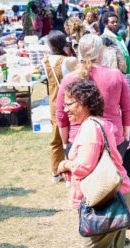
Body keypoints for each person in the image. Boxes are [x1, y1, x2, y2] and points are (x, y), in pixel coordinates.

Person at [56, 79, 130, 247]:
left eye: (69, 104)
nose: (65, 109)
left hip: (106, 198)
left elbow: (83, 167)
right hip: (116, 193)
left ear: (84, 102)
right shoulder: (99, 123)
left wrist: (65, 164)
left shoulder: (90, 128)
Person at [56, 34, 130, 159]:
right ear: (101, 52)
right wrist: (126, 137)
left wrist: (65, 143)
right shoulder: (116, 75)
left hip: (79, 141)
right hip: (112, 139)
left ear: (79, 52)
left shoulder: (69, 79)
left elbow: (61, 115)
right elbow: (128, 108)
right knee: (112, 178)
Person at [101, 44, 130, 183]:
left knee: (111, 172)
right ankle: (128, 200)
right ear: (121, 62)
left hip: (110, 134)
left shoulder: (101, 81)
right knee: (128, 174)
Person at [42, 30, 79, 183]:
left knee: (56, 138)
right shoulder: (69, 61)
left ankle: (56, 171)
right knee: (72, 137)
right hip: (69, 102)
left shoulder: (46, 60)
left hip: (53, 102)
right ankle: (71, 170)